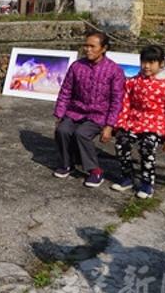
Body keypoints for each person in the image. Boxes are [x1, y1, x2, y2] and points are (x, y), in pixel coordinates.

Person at [53, 31, 125, 188]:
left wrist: (109, 125)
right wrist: (59, 114)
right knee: (62, 130)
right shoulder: (77, 66)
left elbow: (117, 100)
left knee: (81, 134)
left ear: (104, 48)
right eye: (86, 45)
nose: (88, 49)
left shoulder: (114, 70)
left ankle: (95, 170)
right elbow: (66, 91)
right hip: (75, 111)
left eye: (92, 46)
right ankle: (67, 163)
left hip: (99, 115)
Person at [111, 45, 165, 199]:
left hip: (155, 125)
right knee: (121, 143)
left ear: (161, 63)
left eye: (151, 62)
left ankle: (147, 182)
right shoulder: (133, 82)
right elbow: (125, 104)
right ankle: (127, 177)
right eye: (144, 62)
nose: (147, 66)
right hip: (133, 122)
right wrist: (120, 124)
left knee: (147, 147)